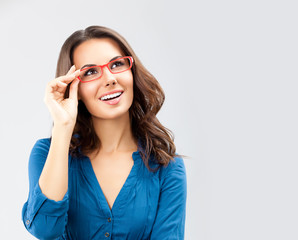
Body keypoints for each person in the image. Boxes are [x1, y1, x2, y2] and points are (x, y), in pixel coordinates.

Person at [21, 26, 187, 239]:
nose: (109, 79)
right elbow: (44, 230)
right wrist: (63, 126)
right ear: (73, 87)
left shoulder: (166, 167)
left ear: (131, 72)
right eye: (90, 72)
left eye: (117, 64)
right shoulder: (46, 154)